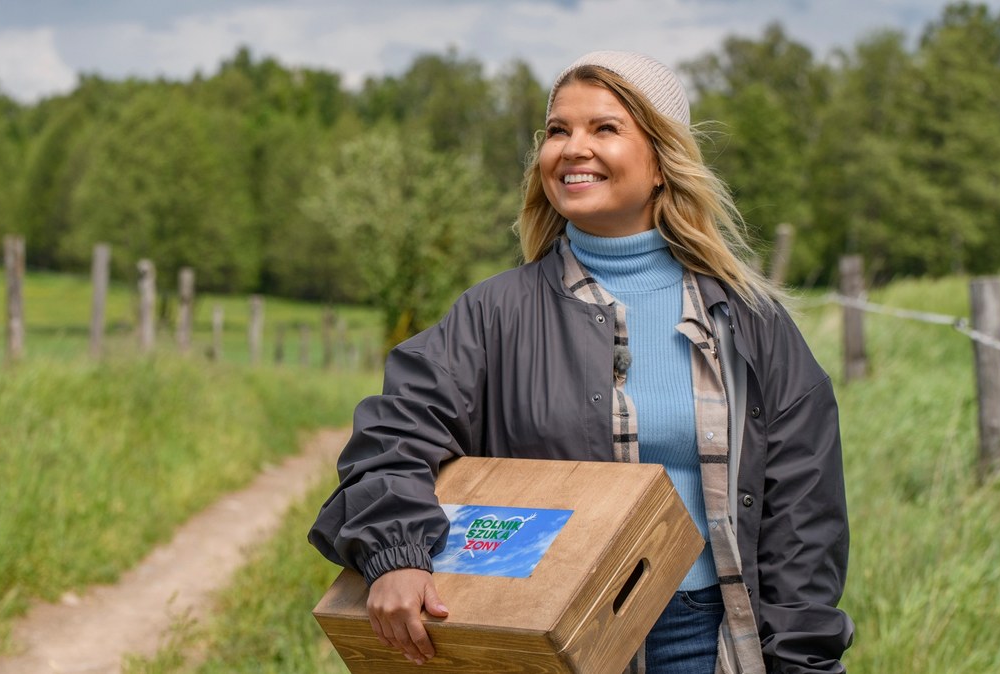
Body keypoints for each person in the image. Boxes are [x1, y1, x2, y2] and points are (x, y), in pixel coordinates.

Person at [308, 50, 853, 674]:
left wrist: (803, 661)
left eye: (605, 128)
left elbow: (805, 516)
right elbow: (393, 435)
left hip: (708, 638)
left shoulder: (749, 320)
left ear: (661, 162)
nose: (572, 148)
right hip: (547, 637)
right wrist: (397, 553)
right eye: (558, 131)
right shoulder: (494, 314)